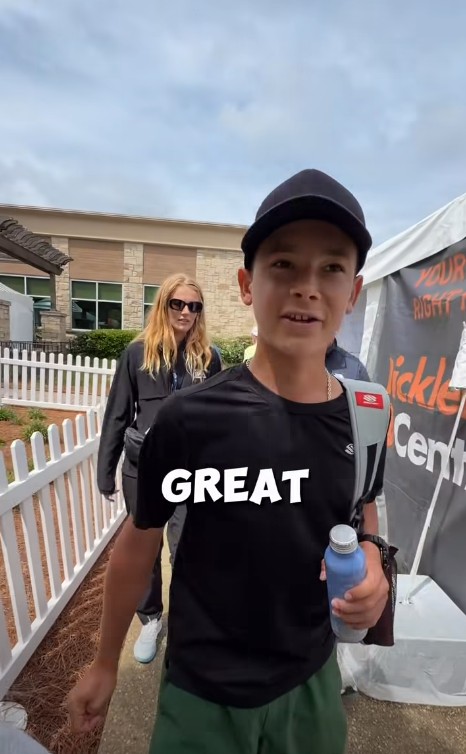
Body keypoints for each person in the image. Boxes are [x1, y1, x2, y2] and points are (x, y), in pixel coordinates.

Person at [68, 168, 390, 753]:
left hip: (310, 683)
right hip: (202, 694)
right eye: (283, 264)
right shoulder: (189, 419)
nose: (307, 287)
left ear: (354, 292)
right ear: (247, 284)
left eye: (331, 268)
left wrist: (372, 558)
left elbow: (362, 504)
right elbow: (139, 543)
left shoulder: (366, 416)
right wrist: (104, 662)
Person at [96, 272, 222, 664]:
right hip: (144, 469)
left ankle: (185, 618)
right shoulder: (137, 354)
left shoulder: (209, 358)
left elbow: (219, 418)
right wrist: (106, 471)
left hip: (190, 473)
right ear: (163, 305)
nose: (185, 312)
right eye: (177, 304)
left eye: (194, 306)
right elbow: (118, 414)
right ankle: (150, 618)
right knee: (145, 550)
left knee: (187, 546)